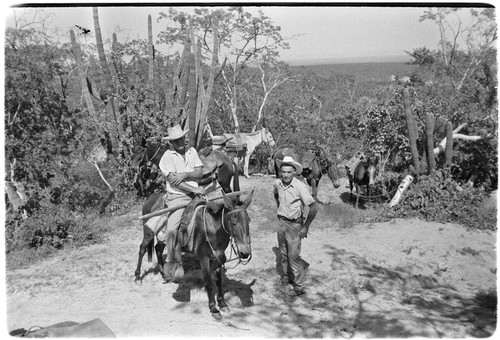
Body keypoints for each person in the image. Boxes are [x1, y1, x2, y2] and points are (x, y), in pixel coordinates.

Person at [158, 124, 205, 282]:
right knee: (172, 229)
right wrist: (194, 189)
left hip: (196, 193)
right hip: (178, 196)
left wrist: (185, 174)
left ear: (184, 137)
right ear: (171, 142)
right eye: (175, 140)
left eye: (181, 138)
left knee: (217, 213)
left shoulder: (192, 152)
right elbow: (174, 182)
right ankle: (172, 262)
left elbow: (199, 173)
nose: (179, 142)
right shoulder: (167, 157)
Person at [273, 156, 318, 297]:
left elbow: (313, 207)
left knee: (294, 256)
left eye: (289, 172)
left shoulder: (300, 186)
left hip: (294, 225)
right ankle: (287, 278)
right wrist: (279, 208)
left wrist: (305, 227)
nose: (285, 175)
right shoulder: (278, 183)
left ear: (294, 172)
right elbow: (276, 195)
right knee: (284, 254)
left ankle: (299, 286)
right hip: (281, 222)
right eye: (283, 172)